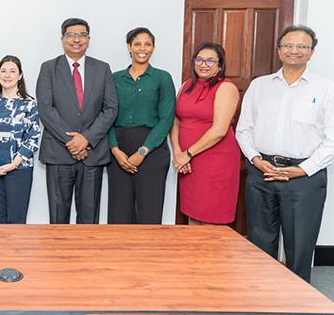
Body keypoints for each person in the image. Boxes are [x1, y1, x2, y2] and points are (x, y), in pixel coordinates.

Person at [236, 25, 334, 283]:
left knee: (300, 244)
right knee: (259, 241)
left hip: (304, 177)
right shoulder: (259, 85)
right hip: (262, 172)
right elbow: (244, 129)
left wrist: (303, 169)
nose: (294, 51)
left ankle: (297, 303)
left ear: (311, 52)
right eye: (288, 45)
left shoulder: (325, 88)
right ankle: (261, 295)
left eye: (302, 46)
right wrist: (256, 160)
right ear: (279, 50)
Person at [36, 18, 118, 224]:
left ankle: (87, 257)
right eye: (71, 35)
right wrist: (72, 142)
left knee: (89, 220)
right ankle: (57, 256)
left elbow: (110, 108)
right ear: (62, 39)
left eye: (81, 35)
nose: (76, 39)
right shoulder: (48, 68)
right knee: (58, 217)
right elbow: (46, 108)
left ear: (88, 40)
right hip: (58, 153)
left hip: (93, 154)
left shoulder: (102, 68)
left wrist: (86, 139)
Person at [107, 27, 176, 224]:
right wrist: (115, 150)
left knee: (149, 213)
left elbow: (166, 119)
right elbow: (108, 116)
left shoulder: (163, 78)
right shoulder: (114, 78)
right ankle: (120, 254)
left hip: (152, 150)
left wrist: (143, 151)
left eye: (147, 44)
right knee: (119, 213)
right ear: (129, 47)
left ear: (153, 48)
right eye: (137, 44)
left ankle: (148, 254)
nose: (142, 48)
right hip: (118, 150)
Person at [170, 42, 240, 225]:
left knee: (212, 218)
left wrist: (188, 153)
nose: (203, 64)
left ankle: (212, 255)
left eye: (210, 61)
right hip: (187, 162)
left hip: (215, 162)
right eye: (199, 59)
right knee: (193, 213)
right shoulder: (186, 85)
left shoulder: (226, 88)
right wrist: (178, 153)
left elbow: (218, 131)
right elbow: (176, 121)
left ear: (220, 64)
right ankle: (194, 254)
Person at [0, 55, 41, 224]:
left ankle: (17, 251)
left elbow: (33, 137)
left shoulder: (29, 104)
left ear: (20, 76)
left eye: (12, 71)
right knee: (0, 220)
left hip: (19, 168)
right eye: (3, 71)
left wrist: (14, 164)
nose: (7, 75)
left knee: (16, 222)